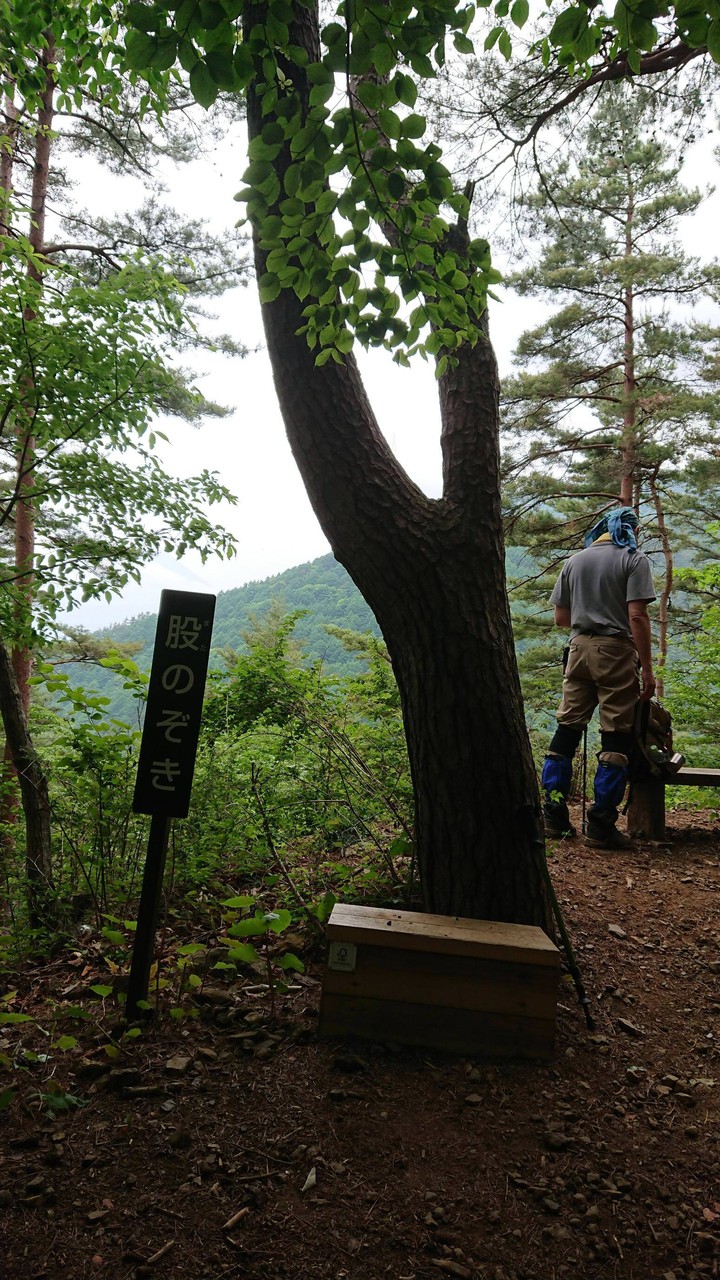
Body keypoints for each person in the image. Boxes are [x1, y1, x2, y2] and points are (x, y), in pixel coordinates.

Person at [541, 506, 656, 849]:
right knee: (616, 736)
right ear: (631, 530)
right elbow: (637, 616)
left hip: (577, 649)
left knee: (567, 728)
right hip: (616, 652)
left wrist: (589, 613)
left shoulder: (575, 561)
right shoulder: (633, 559)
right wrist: (647, 668)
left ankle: (553, 816)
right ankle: (601, 825)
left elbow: (561, 618)